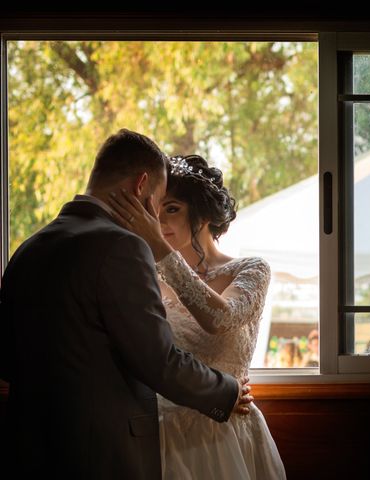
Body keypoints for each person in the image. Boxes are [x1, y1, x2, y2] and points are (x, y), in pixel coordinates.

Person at [0, 130, 250, 479]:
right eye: (158, 200)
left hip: (26, 450)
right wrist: (226, 391)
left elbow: (8, 360)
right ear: (141, 185)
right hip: (100, 455)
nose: (156, 218)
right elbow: (157, 360)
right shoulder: (122, 247)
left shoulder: (28, 249)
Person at [107, 154, 286, 479]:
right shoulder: (145, 274)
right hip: (159, 436)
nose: (159, 222)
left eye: (172, 209)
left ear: (202, 213)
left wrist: (161, 249)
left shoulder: (251, 269)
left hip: (224, 434)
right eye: (154, 211)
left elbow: (219, 318)